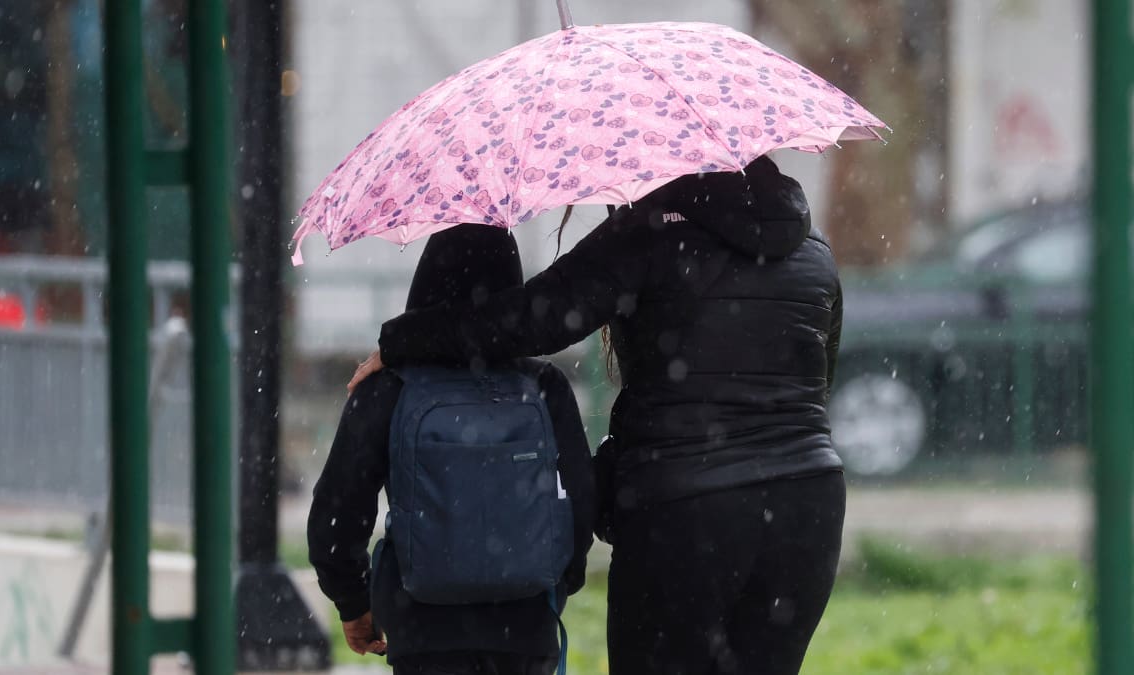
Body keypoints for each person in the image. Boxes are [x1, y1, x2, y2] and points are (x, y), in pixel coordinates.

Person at [350, 156, 845, 675]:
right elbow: (818, 380)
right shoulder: (813, 250)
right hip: (808, 504)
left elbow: (530, 319)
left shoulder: (649, 233)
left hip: (683, 509)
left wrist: (404, 338)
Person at [308, 223, 595, 675]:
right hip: (523, 628)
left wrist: (352, 601)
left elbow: (338, 509)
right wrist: (556, 585)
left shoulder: (388, 387)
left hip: (422, 630)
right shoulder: (544, 386)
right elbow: (580, 503)